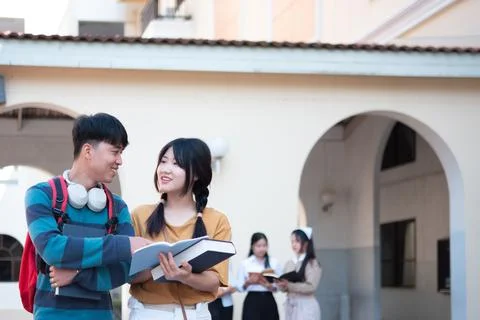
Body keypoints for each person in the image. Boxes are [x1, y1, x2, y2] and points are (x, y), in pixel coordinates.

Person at [25, 113, 151, 320]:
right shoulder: (41, 195)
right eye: (115, 151)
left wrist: (78, 274)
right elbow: (53, 249)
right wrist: (123, 245)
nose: (120, 161)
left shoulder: (117, 206)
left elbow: (128, 268)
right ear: (88, 151)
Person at [128, 138, 232, 320]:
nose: (165, 169)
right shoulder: (139, 215)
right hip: (148, 313)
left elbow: (214, 283)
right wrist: (160, 268)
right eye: (163, 161)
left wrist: (185, 277)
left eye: (176, 164)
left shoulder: (217, 220)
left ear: (196, 174)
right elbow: (127, 275)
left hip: (195, 314)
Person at [276, 227, 322, 320]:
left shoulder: (312, 263)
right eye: (292, 242)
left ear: (305, 243)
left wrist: (289, 285)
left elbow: (311, 286)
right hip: (291, 305)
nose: (294, 244)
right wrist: (281, 285)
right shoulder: (289, 263)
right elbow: (284, 288)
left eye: (297, 241)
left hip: (306, 306)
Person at [236, 232, 282, 320]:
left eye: (264, 245)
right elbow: (239, 286)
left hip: (269, 300)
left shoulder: (274, 262)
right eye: (258, 246)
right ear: (252, 246)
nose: (261, 249)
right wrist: (248, 283)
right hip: (252, 301)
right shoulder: (245, 263)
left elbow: (280, 284)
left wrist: (270, 286)